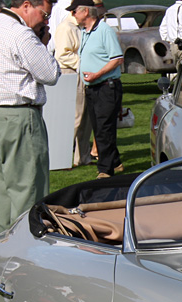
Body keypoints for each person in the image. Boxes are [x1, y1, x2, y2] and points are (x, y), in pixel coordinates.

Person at [0, 0, 61, 235]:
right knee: (28, 192)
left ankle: (2, 245)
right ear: (27, 5)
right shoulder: (22, 35)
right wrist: (43, 44)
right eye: (44, 14)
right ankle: (25, 249)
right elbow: (50, 74)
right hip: (16, 116)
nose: (45, 21)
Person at [73, 0, 124, 179]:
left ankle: (105, 169)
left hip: (105, 86)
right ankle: (115, 161)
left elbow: (117, 58)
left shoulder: (104, 31)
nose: (73, 15)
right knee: (99, 127)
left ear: (86, 12)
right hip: (92, 87)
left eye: (75, 11)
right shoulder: (85, 32)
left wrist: (97, 74)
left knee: (104, 128)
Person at [53, 0, 93, 166]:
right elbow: (62, 55)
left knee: (86, 119)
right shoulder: (66, 27)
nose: (72, 14)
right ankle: (61, 159)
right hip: (71, 73)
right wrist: (85, 63)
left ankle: (83, 157)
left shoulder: (78, 27)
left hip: (81, 73)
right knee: (75, 118)